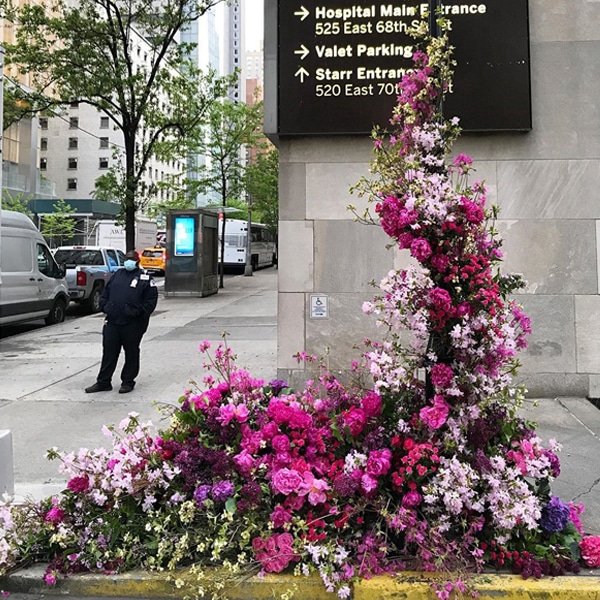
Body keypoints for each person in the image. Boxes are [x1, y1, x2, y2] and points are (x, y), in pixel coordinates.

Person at [85, 250, 158, 394]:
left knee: (131, 352)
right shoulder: (118, 274)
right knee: (109, 352)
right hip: (113, 321)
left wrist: (138, 312)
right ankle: (103, 382)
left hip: (133, 323)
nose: (128, 262)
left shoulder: (145, 278)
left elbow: (151, 300)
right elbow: (106, 293)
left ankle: (128, 381)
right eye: (127, 259)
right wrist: (105, 306)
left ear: (137, 261)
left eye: (131, 259)